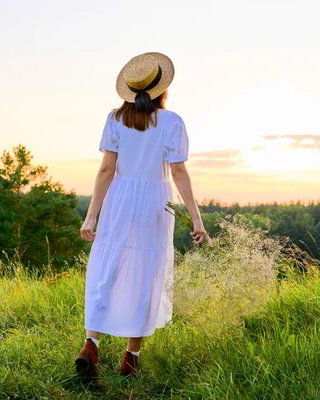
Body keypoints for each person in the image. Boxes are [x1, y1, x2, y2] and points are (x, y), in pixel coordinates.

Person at [75, 52, 210, 381]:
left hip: (119, 199)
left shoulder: (115, 119)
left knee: (108, 266)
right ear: (161, 88)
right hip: (153, 201)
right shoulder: (172, 122)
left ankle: (90, 344)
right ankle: (130, 357)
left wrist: (91, 217)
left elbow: (106, 170)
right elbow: (179, 174)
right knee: (146, 273)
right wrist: (197, 221)